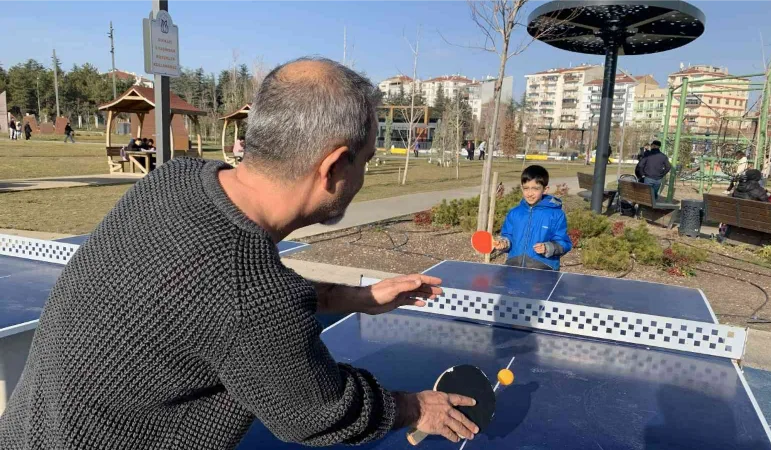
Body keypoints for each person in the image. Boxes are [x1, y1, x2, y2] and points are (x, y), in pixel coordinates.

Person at [0, 57, 479, 449]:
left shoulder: (174, 180)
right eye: (366, 161)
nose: (362, 176)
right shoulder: (249, 295)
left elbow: (210, 301)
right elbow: (318, 411)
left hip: (26, 432)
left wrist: (356, 298)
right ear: (333, 166)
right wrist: (415, 408)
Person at [493, 165, 572, 270]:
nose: (530, 193)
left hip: (544, 270)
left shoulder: (556, 215)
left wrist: (547, 248)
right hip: (513, 267)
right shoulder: (514, 213)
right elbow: (508, 236)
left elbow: (564, 243)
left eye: (535, 189)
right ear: (522, 188)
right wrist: (504, 243)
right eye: (526, 188)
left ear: (545, 189)